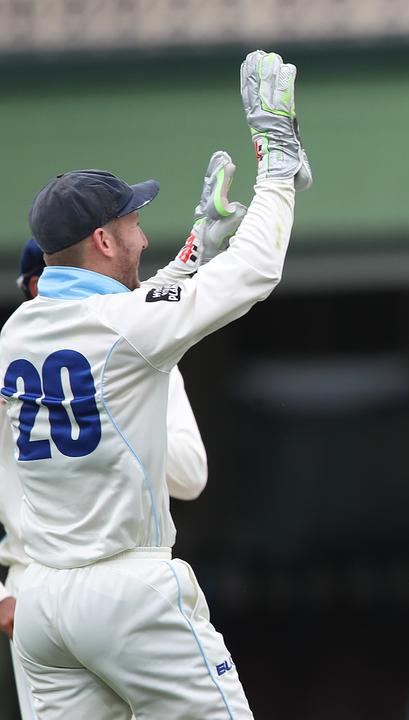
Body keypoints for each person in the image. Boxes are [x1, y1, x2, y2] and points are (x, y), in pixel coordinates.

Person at [0, 49, 309, 719]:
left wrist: (197, 247)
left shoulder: (17, 334)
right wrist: (278, 167)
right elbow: (254, 273)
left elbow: (129, 312)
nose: (143, 234)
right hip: (127, 592)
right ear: (104, 242)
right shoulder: (122, 326)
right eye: (134, 222)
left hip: (45, 605)